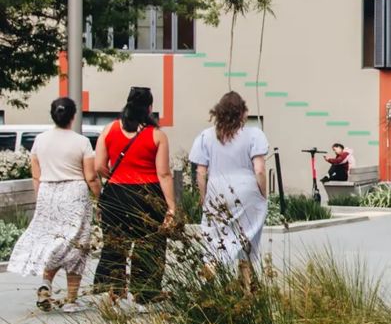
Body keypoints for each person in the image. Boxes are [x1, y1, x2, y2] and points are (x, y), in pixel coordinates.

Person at [7, 96, 98, 312]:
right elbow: (91, 177)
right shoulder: (81, 142)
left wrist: (42, 197)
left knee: (52, 241)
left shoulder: (40, 140)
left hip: (48, 192)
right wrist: (99, 196)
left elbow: (36, 174)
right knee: (76, 245)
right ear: (73, 116)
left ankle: (46, 283)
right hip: (74, 193)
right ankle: (71, 299)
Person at [93, 86, 176, 310]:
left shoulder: (109, 129)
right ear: (150, 108)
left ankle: (114, 293)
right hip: (146, 195)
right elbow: (164, 174)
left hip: (115, 195)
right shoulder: (157, 135)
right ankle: (144, 294)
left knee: (115, 243)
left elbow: (98, 166)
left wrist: (117, 176)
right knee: (149, 244)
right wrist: (171, 206)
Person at [188, 92, 270, 283]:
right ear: (242, 112)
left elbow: (200, 172)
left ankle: (211, 267)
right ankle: (247, 288)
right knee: (247, 239)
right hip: (247, 189)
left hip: (217, 189)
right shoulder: (254, 135)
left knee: (216, 237)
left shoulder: (205, 136)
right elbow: (259, 169)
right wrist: (262, 194)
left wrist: (203, 196)